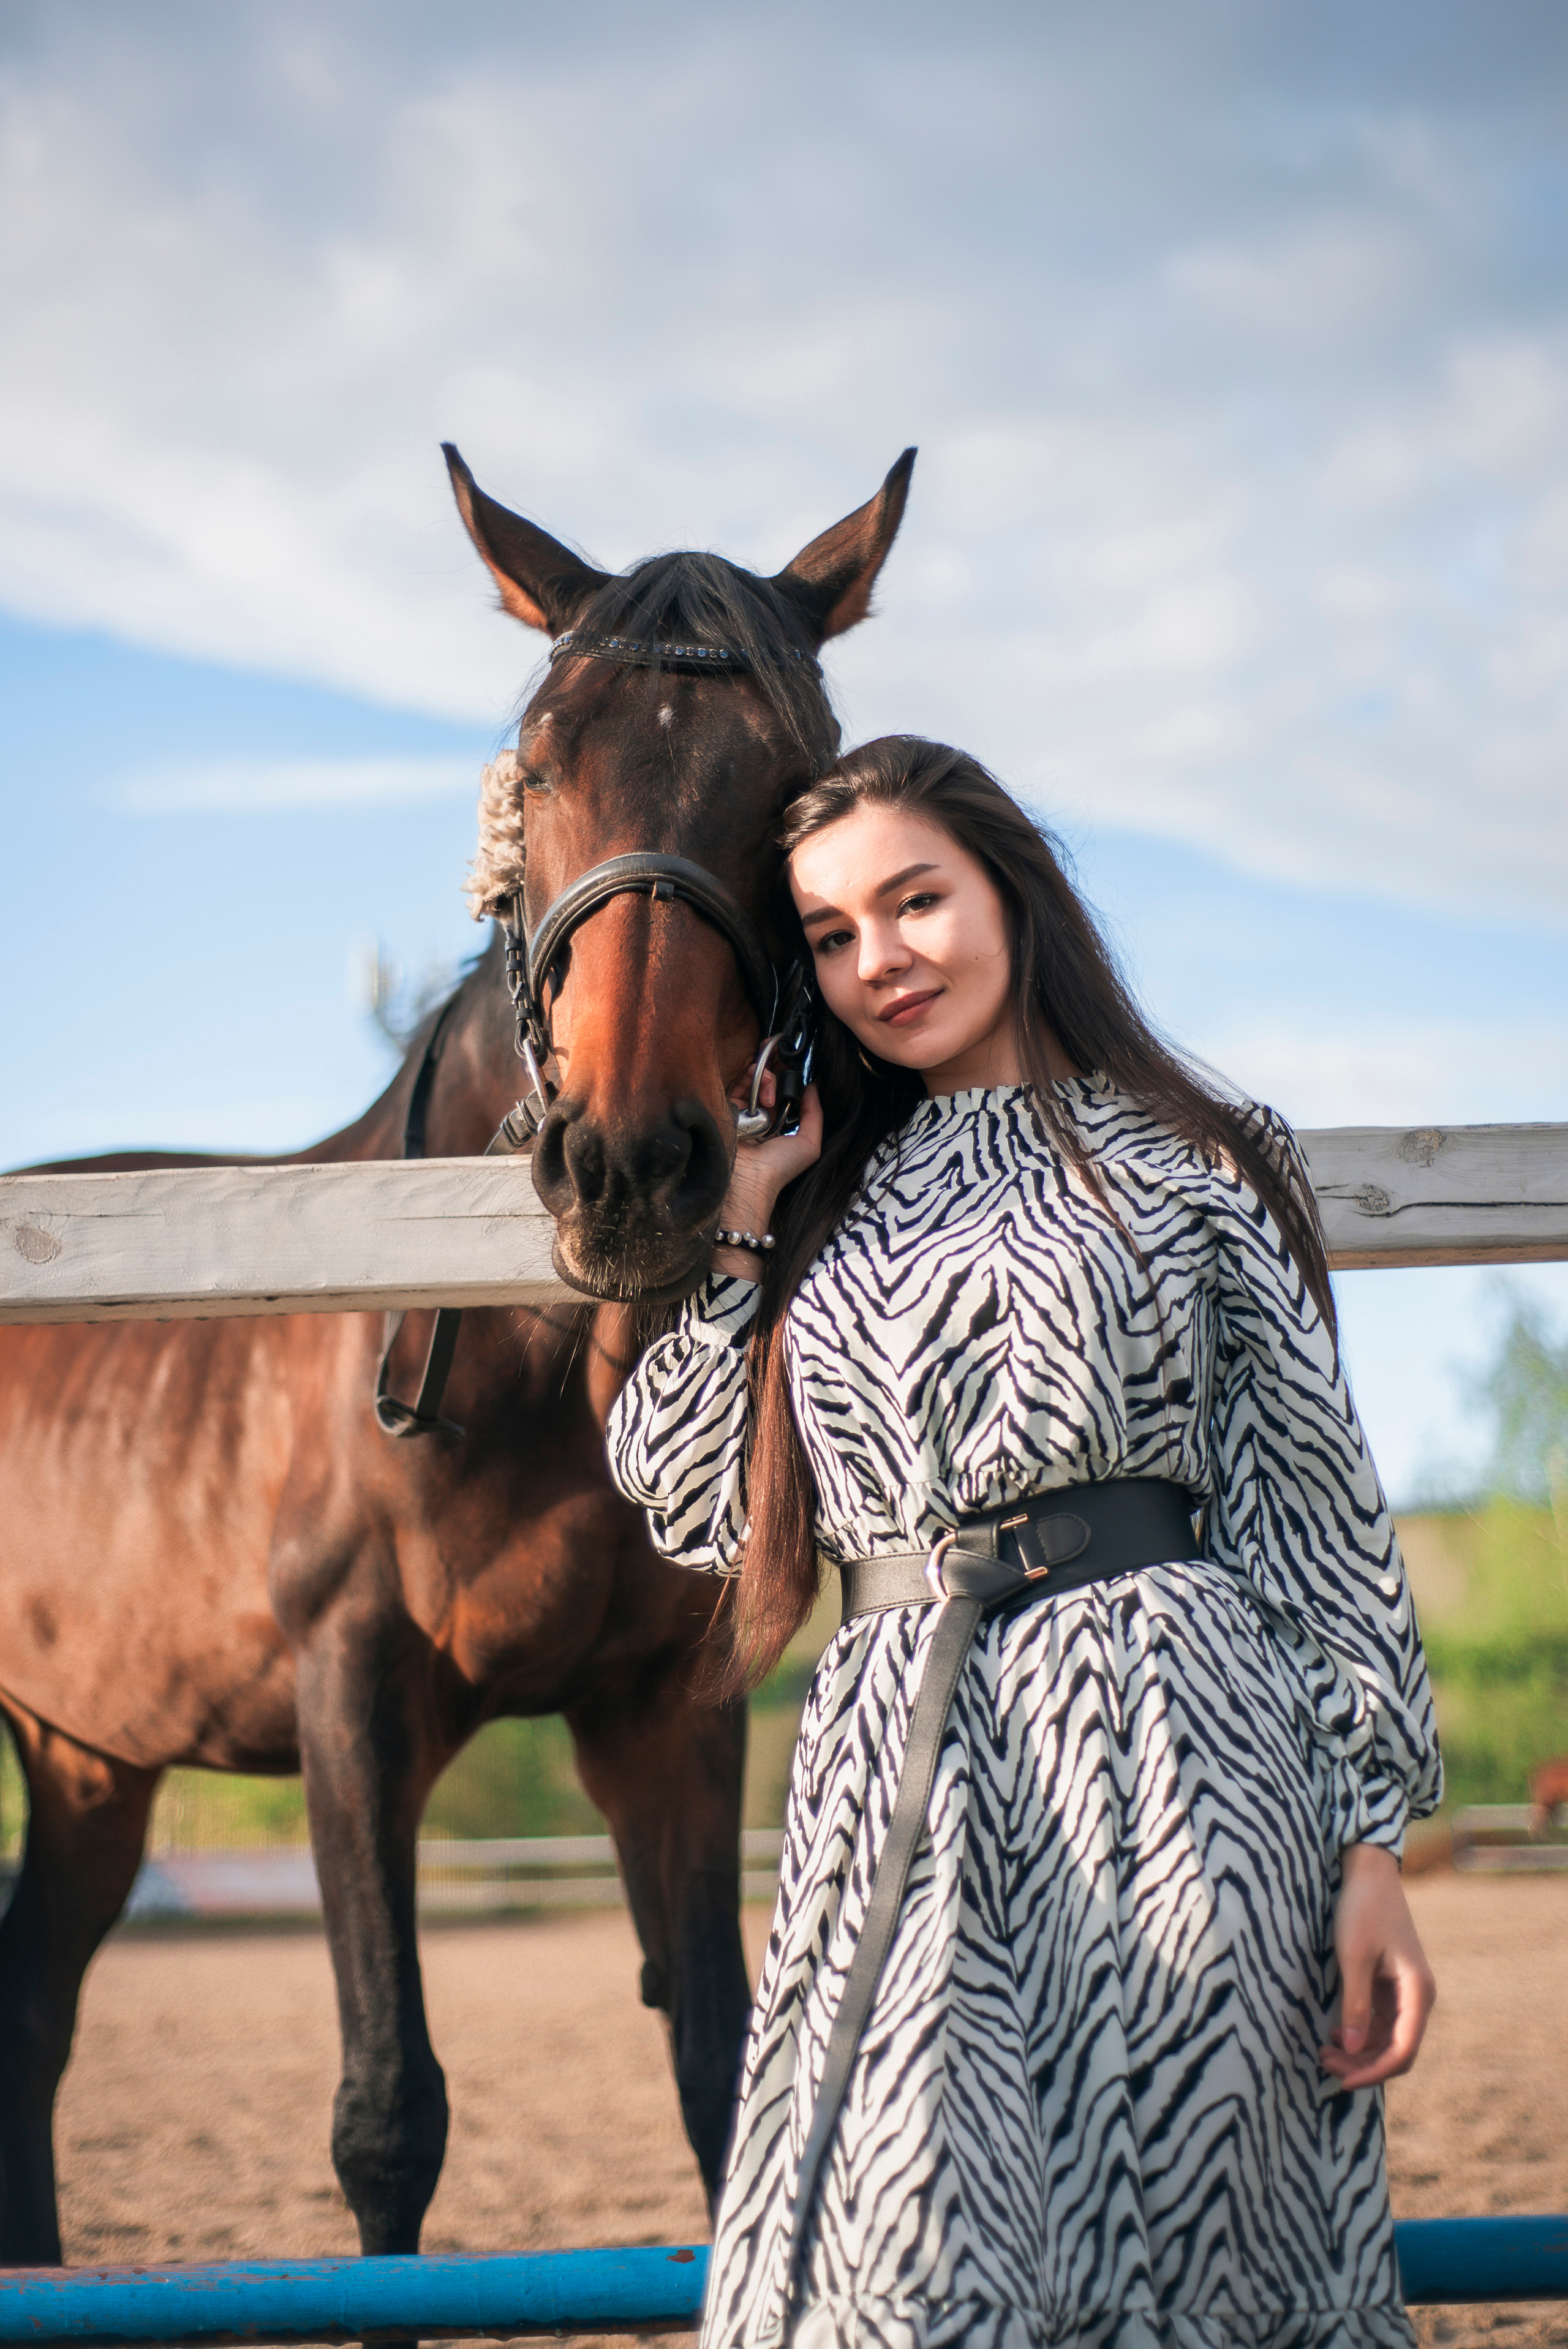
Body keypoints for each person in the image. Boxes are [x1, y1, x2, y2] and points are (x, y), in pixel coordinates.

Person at [607, 736, 1441, 2349]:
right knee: (903, 2254)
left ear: (1012, 885)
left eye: (916, 900)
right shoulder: (819, 1196)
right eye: (833, 935)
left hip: (1186, 1755)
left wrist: (1373, 1848)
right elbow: (692, 1491)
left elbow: (1316, 1515)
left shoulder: (1195, 1148)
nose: (878, 961)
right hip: (905, 1766)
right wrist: (742, 1228)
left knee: (1203, 2258)